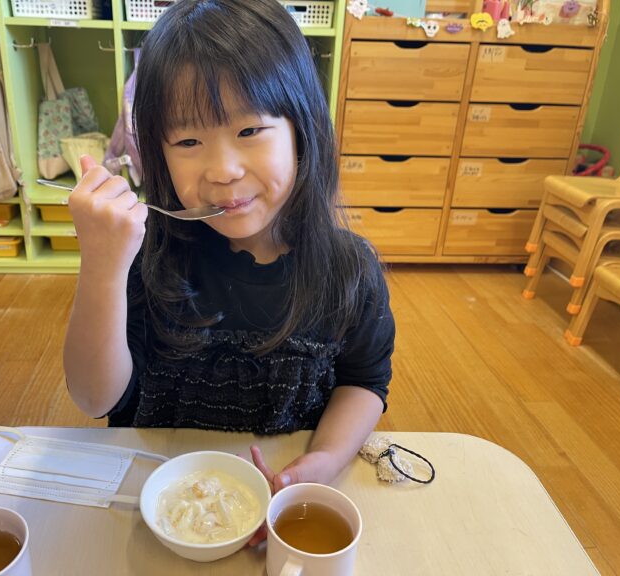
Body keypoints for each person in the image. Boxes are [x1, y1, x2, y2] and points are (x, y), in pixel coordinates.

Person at [64, 0, 395, 516]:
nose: (223, 170)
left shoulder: (348, 270)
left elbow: (363, 380)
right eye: (189, 140)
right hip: (156, 503)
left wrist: (324, 460)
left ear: (300, 129)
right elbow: (95, 398)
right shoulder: (145, 254)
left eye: (249, 132)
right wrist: (103, 266)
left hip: (282, 503)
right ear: (157, 151)